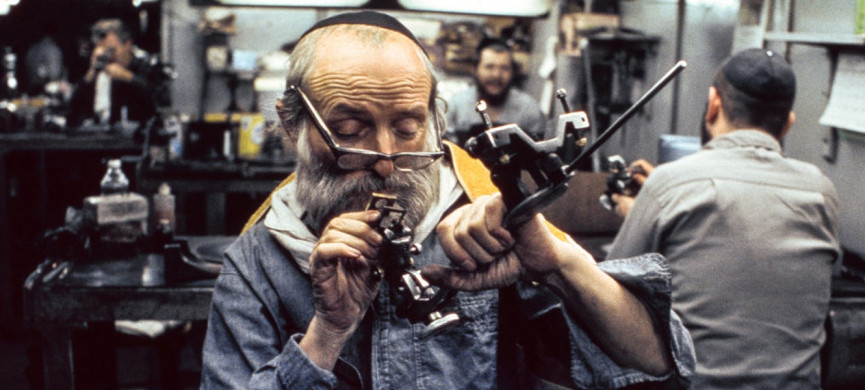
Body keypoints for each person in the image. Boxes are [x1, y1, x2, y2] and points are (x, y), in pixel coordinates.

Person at [200, 11, 694, 389]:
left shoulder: (479, 222)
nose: (387, 161)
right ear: (292, 125)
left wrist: (558, 263)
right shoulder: (258, 263)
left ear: (435, 122)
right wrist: (325, 335)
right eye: (350, 131)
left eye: (409, 129)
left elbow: (658, 362)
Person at [607, 48, 840, 389]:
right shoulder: (822, 190)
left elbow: (609, 291)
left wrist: (648, 207)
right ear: (788, 123)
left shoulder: (670, 183)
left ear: (713, 103)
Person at [67, 18, 170, 127]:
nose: (109, 57)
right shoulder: (96, 72)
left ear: (127, 45)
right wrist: (91, 74)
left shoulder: (146, 67)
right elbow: (72, 113)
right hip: (102, 139)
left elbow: (162, 102)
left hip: (139, 137)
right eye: (104, 52)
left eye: (112, 50)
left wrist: (130, 78)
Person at [445, 37, 546, 147]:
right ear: (475, 69)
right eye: (489, 67)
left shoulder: (529, 110)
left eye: (504, 68)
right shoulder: (455, 107)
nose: (496, 75)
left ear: (513, 72)